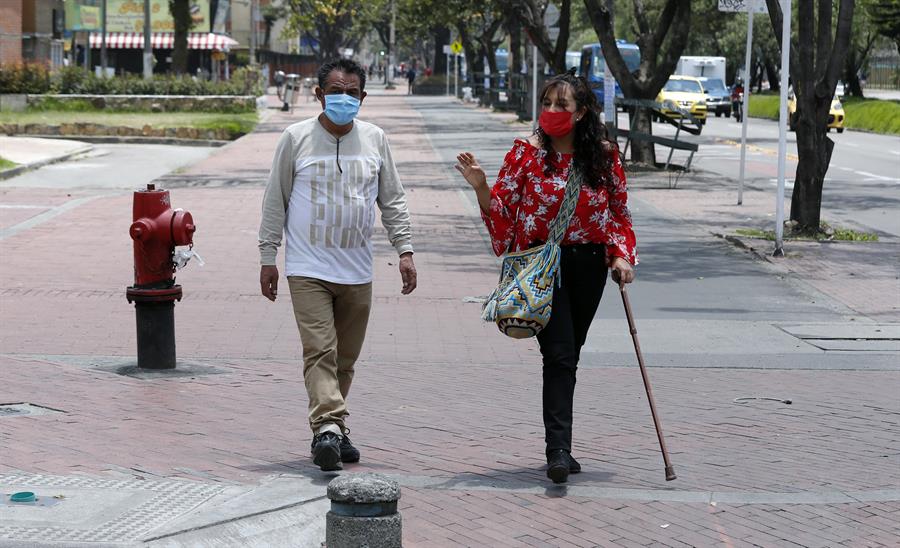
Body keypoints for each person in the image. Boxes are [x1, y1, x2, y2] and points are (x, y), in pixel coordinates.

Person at [454, 70, 637, 484]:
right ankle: (558, 450)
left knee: (570, 354)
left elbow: (619, 213)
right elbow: (503, 214)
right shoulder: (526, 153)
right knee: (558, 354)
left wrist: (621, 256)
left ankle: (562, 445)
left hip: (588, 265)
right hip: (541, 268)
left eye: (562, 104)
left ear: (581, 112)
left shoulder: (604, 156)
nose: (552, 111)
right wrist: (481, 187)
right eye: (547, 103)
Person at [259, 58, 417, 472]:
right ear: (319, 95)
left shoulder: (375, 139)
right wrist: (267, 256)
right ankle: (328, 425)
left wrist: (405, 251)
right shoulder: (295, 138)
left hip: (357, 269)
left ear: (362, 97)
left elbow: (392, 200)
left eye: (351, 93)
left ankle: (333, 430)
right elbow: (275, 200)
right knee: (320, 351)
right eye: (335, 91)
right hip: (307, 267)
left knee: (344, 359)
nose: (343, 98)